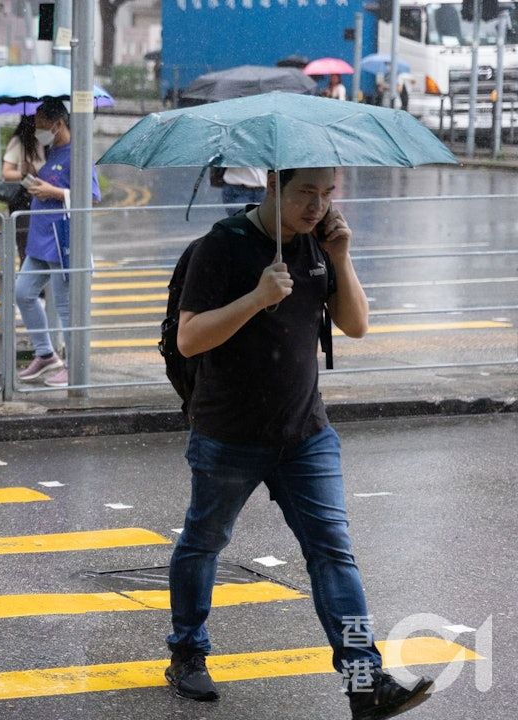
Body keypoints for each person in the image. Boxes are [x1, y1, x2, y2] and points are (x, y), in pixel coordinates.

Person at [164, 167, 435, 720]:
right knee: (203, 543)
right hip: (228, 433)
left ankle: (365, 680)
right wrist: (258, 298)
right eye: (306, 193)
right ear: (271, 186)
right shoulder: (221, 247)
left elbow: (356, 326)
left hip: (306, 433)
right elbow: (189, 338)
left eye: (327, 193)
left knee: (333, 550)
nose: (318, 205)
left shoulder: (319, 243)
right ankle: (187, 652)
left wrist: (340, 255)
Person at [14, 98, 100, 389]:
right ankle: (46, 354)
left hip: (63, 239)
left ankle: (76, 366)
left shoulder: (79, 153)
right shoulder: (51, 152)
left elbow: (90, 198)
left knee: (65, 306)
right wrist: (33, 180)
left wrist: (56, 192)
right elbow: (48, 186)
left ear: (57, 123)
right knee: (23, 292)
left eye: (40, 125)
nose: (37, 131)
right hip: (40, 239)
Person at [0, 114, 46, 264]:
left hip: (43, 198)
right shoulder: (19, 142)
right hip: (24, 200)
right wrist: (25, 173)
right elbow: (6, 172)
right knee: (26, 246)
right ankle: (29, 282)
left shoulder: (46, 142)